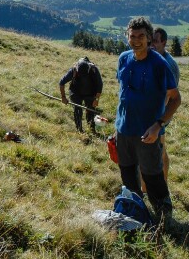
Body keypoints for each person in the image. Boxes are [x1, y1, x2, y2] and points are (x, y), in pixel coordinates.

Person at [114, 17, 181, 222]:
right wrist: (117, 125)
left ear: (149, 38)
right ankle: (137, 210)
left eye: (141, 36)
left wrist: (158, 125)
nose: (136, 40)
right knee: (127, 175)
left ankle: (165, 219)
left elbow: (175, 99)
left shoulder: (159, 64)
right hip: (123, 130)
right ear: (127, 37)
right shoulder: (124, 59)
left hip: (147, 133)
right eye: (132, 36)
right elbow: (123, 94)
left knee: (152, 176)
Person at [140, 27, 180, 192]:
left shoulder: (169, 65)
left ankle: (161, 188)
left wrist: (158, 122)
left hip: (160, 116)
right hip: (145, 113)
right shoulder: (150, 58)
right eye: (150, 42)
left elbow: (171, 97)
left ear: (164, 42)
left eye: (155, 41)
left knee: (159, 151)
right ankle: (144, 189)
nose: (152, 45)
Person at [59, 57, 103, 133]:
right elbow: (61, 83)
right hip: (76, 92)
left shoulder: (94, 70)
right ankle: (79, 130)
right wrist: (63, 97)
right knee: (77, 110)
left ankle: (92, 129)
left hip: (90, 92)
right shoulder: (74, 70)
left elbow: (99, 85)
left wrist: (96, 99)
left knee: (90, 110)